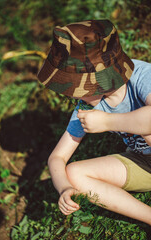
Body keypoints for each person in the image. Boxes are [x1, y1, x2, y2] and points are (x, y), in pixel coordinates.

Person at [37, 19, 151, 226]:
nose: (73, 97)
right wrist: (64, 187)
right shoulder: (87, 106)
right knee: (73, 173)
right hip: (144, 164)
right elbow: (57, 157)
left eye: (73, 89)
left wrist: (108, 122)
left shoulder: (143, 76)